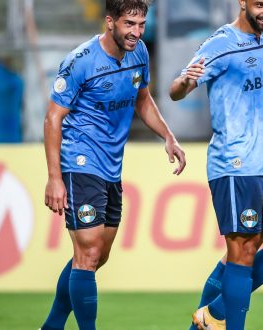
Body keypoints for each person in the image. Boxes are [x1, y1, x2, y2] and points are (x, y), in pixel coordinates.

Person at [40, 1, 186, 329]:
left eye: (141, 24)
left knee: (95, 256)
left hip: (111, 167)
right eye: (129, 24)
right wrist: (54, 178)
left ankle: (51, 326)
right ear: (110, 22)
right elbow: (53, 118)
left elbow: (142, 98)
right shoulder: (80, 61)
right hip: (79, 161)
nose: (136, 32)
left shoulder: (140, 53)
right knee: (89, 252)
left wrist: (168, 135)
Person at [169, 1, 263, 329]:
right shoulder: (220, 44)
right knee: (242, 251)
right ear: (242, 2)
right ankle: (222, 322)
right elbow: (175, 90)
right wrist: (186, 82)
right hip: (236, 164)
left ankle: (211, 315)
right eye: (260, 5)